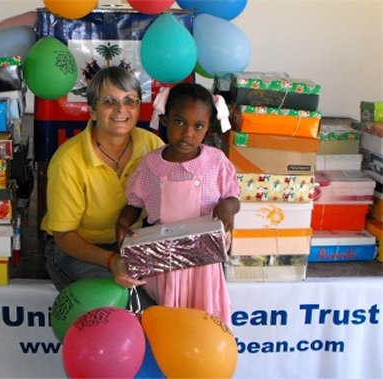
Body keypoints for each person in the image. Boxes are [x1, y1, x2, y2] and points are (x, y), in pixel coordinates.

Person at [116, 82, 240, 325]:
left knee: (203, 322)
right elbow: (134, 203)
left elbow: (233, 197)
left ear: (208, 129)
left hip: (204, 264)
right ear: (165, 120)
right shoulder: (151, 165)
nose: (187, 134)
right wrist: (122, 223)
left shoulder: (216, 162)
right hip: (164, 261)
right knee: (169, 323)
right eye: (180, 122)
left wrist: (228, 206)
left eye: (198, 126)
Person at [41, 66, 164, 296]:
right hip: (77, 250)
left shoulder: (153, 147)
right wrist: (111, 260)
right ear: (93, 111)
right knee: (122, 301)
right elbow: (64, 236)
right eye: (109, 101)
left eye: (130, 101)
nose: (121, 109)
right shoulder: (69, 160)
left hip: (131, 246)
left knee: (168, 294)